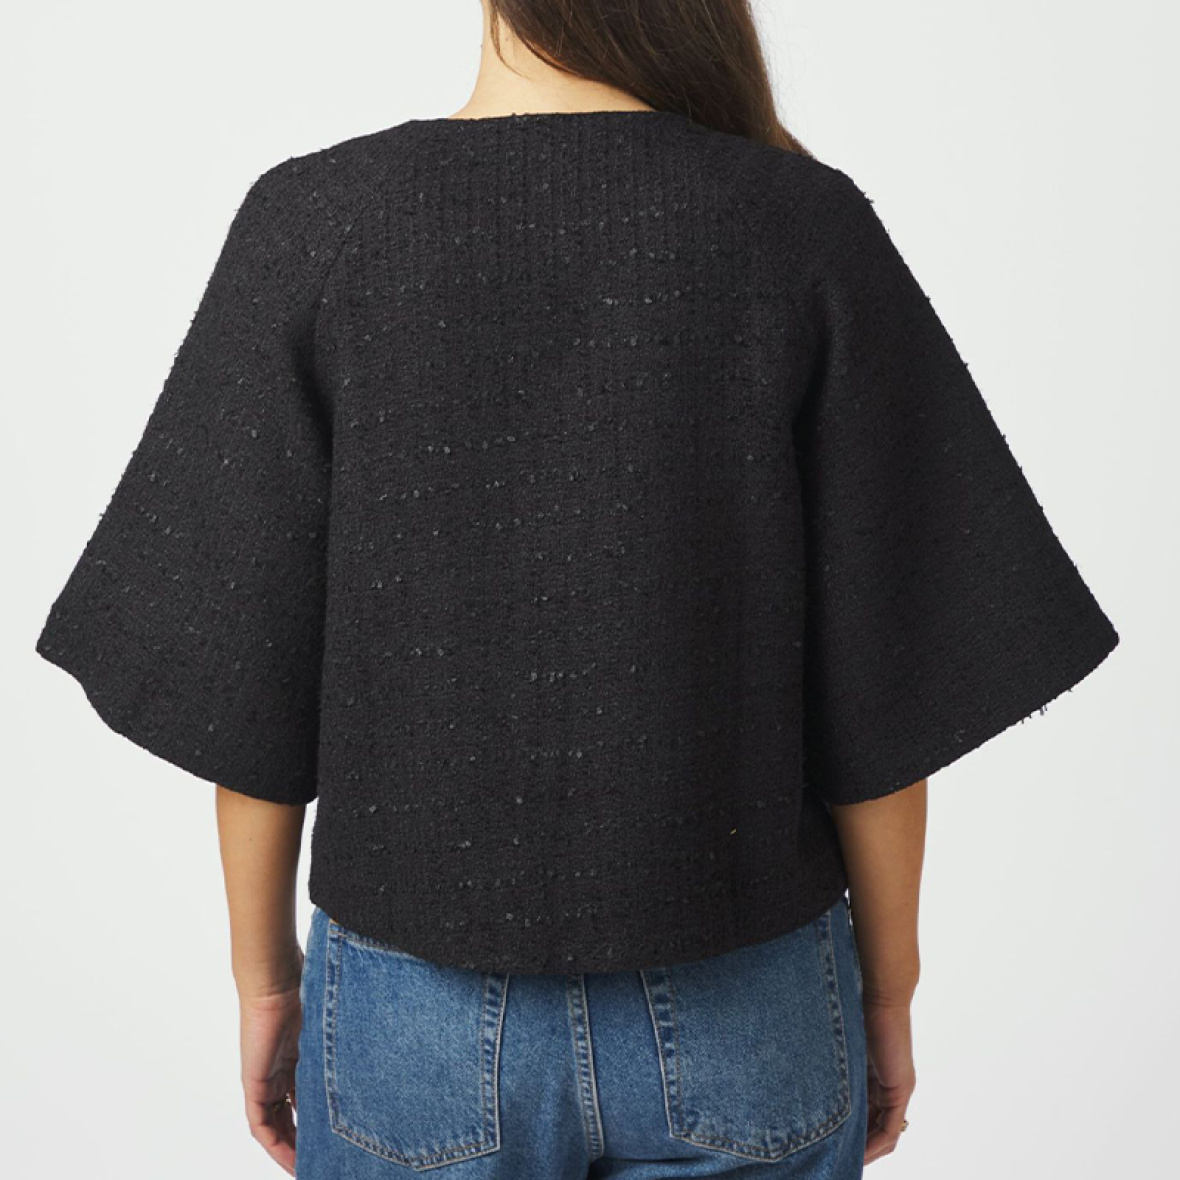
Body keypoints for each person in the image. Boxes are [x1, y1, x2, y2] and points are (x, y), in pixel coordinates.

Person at [34, 2, 1119, 1178]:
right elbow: (889, 683)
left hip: (411, 1022)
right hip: (750, 1005)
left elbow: (241, 681)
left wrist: (264, 983)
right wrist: (889, 986)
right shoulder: (795, 222)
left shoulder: (320, 222)